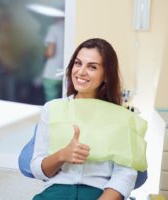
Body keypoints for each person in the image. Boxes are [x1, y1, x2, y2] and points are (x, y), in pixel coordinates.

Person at [30, 38, 138, 200]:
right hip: (57, 191)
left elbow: (125, 175)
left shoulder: (121, 117)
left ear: (106, 75)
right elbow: (38, 170)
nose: (81, 72)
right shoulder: (52, 109)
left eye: (92, 67)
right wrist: (62, 155)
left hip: (99, 192)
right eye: (78, 63)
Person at [42, 17, 64, 102]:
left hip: (52, 73)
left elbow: (50, 52)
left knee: (51, 104)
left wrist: (43, 55)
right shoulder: (69, 27)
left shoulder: (54, 28)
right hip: (64, 71)